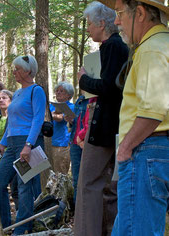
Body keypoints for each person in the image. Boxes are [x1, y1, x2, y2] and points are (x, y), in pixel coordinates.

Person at [99, 0, 168, 235]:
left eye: (119, 13)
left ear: (139, 13)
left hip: (145, 150)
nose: (117, 21)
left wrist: (126, 147)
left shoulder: (152, 48)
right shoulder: (161, 44)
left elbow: (153, 110)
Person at [74, 2, 129, 236]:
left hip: (106, 127)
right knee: (109, 187)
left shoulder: (113, 46)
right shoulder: (117, 47)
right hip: (114, 126)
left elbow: (109, 87)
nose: (87, 29)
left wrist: (84, 80)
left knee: (88, 183)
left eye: (89, 24)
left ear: (102, 24)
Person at [0, 55, 46, 235]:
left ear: (28, 71)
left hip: (28, 142)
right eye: (14, 69)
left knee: (25, 186)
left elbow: (38, 119)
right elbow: (11, 122)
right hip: (12, 144)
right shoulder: (15, 93)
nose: (14, 72)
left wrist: (28, 145)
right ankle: (4, 224)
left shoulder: (36, 90)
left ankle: (23, 227)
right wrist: (2, 144)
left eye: (17, 69)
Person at [68, 92, 88, 204]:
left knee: (87, 180)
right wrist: (71, 121)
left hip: (86, 143)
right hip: (75, 143)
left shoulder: (94, 99)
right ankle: (77, 212)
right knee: (76, 179)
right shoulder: (80, 99)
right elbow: (76, 122)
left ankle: (85, 212)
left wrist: (82, 137)